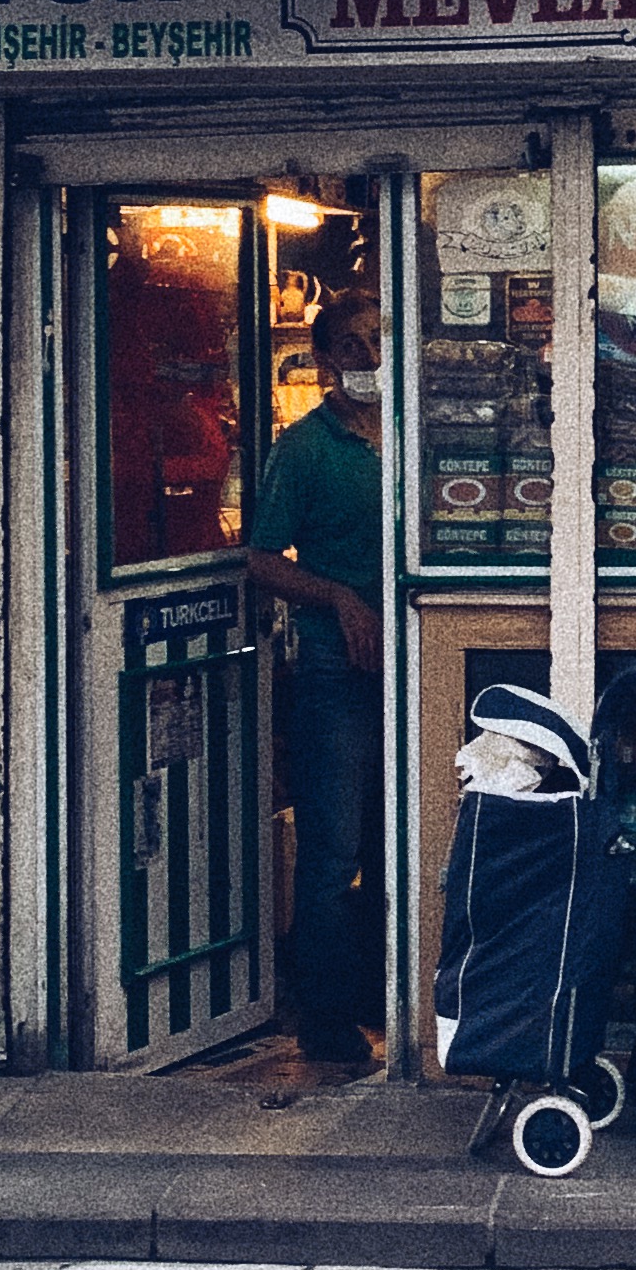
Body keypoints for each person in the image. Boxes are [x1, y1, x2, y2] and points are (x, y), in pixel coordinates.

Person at [245, 292, 388, 1071]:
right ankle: (327, 1021)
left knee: (398, 841)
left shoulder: (415, 435)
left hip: (413, 669)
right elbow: (263, 560)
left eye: (380, 340)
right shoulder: (302, 450)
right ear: (326, 359)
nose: (370, 358)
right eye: (355, 346)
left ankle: (382, 993)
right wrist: (337, 595)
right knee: (333, 853)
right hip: (335, 676)